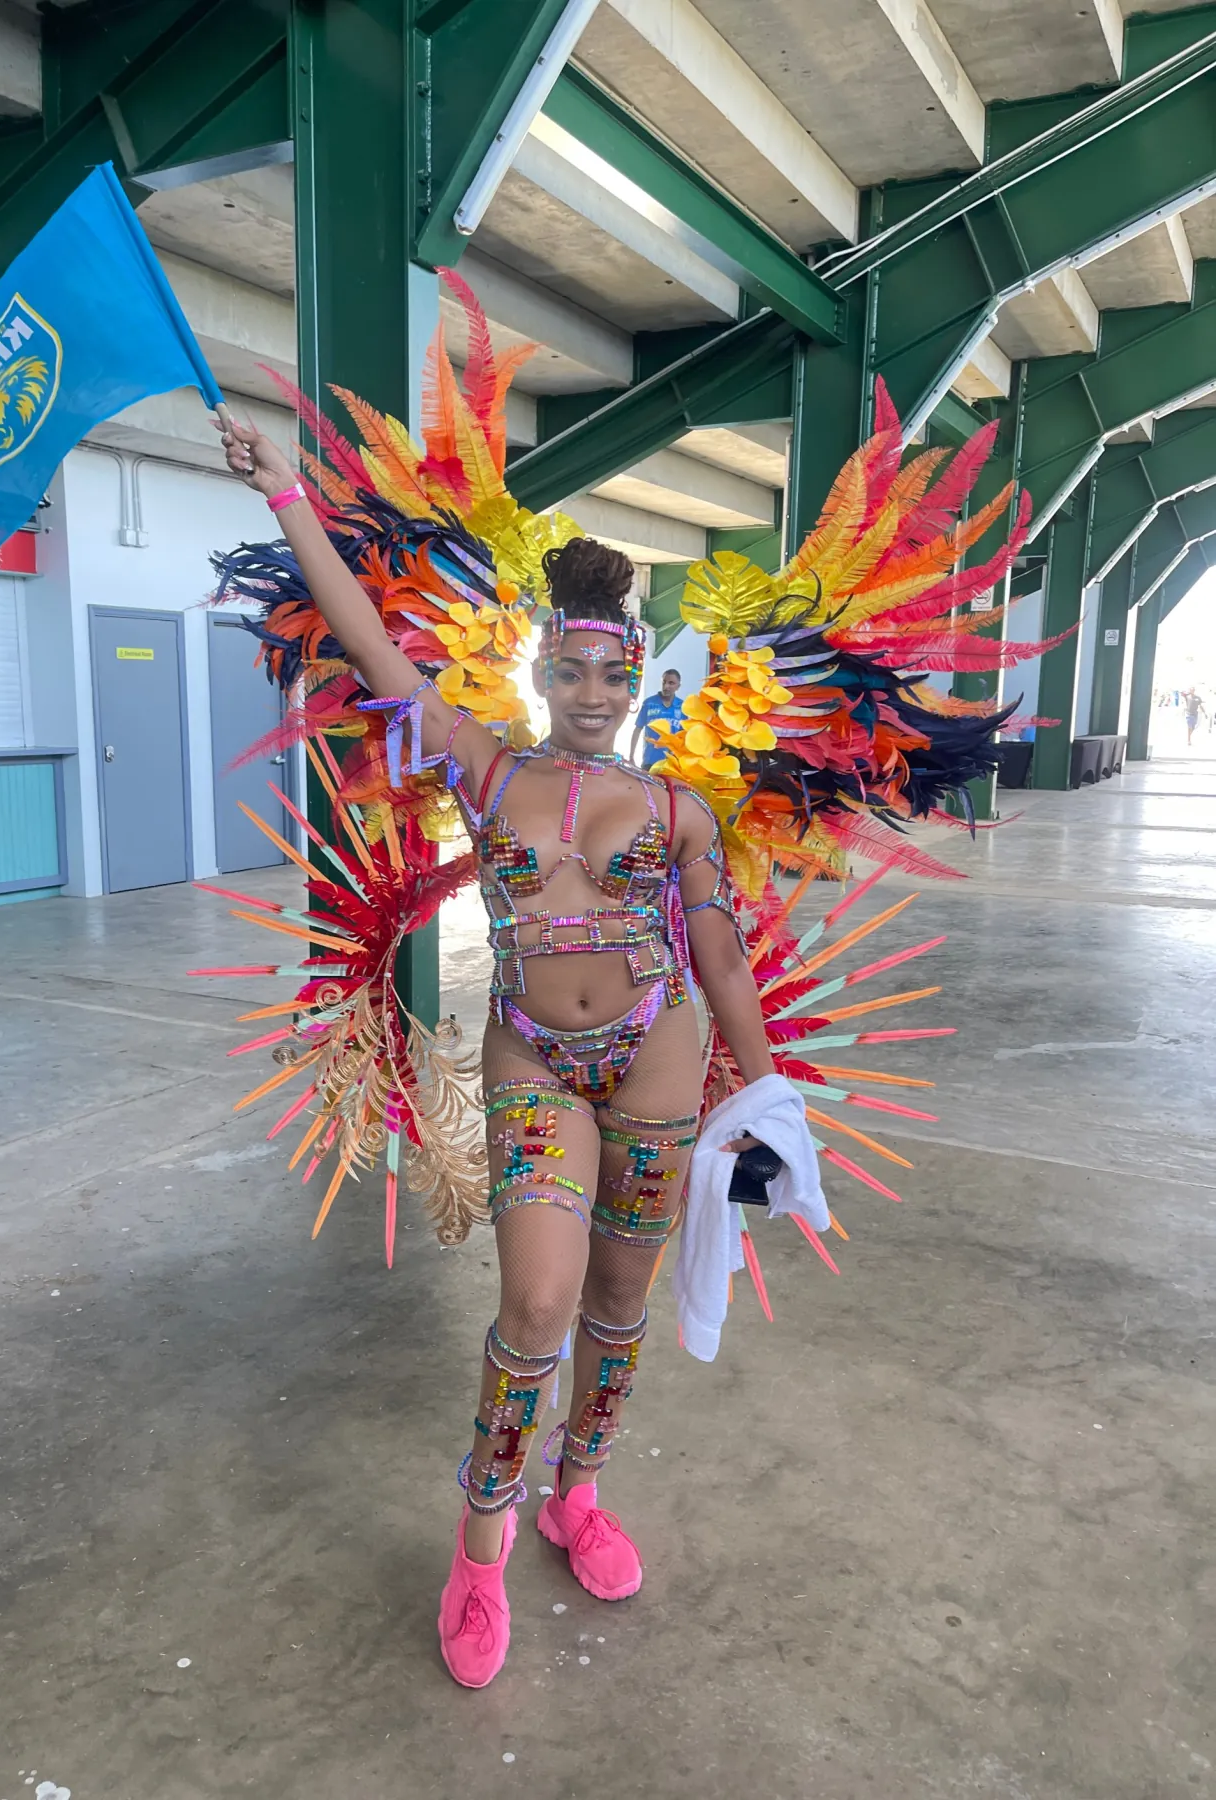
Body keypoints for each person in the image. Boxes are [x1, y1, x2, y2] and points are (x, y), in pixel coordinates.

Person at [219, 417, 777, 1690]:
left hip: (659, 1056)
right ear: (540, 669)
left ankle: (580, 1495)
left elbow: (724, 963)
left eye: (612, 676)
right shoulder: (481, 767)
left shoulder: (684, 809)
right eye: (572, 672)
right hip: (532, 1057)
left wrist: (775, 1090)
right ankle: (482, 1540)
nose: (593, 696)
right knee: (533, 1302)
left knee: (619, 1304)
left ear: (636, 678)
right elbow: (369, 643)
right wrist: (291, 496)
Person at [630, 667, 685, 769]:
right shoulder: (649, 703)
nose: (666, 686)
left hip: (673, 763)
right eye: (664, 682)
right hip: (650, 762)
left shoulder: (682, 706)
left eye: (671, 683)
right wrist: (631, 756)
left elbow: (685, 736)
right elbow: (637, 729)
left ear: (678, 686)